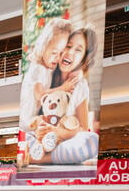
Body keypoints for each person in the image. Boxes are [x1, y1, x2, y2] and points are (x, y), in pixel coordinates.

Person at [29, 26, 100, 165]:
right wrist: (39, 131)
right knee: (25, 137)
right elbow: (32, 116)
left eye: (78, 50)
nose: (70, 53)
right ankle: (45, 155)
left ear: (84, 58)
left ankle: (40, 158)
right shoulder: (47, 71)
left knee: (91, 140)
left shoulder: (80, 85)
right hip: (40, 137)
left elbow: (83, 129)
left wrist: (58, 132)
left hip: (63, 141)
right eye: (68, 46)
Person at [19, 18, 74, 132]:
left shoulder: (49, 69)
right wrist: (63, 88)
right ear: (43, 47)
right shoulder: (37, 68)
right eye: (54, 53)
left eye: (61, 54)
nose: (57, 58)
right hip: (27, 119)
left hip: (34, 117)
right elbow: (40, 95)